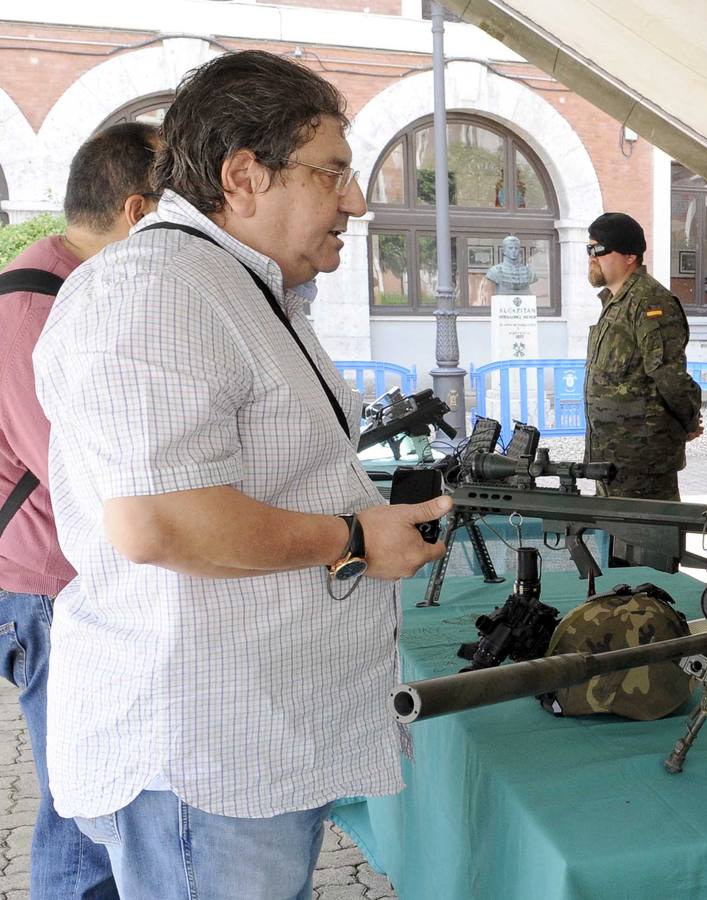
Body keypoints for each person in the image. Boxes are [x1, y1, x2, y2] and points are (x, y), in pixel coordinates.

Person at [32, 50, 451, 898]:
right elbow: (160, 522)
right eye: (332, 171)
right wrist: (353, 540)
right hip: (202, 758)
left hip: (246, 746)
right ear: (244, 176)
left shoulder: (228, 288)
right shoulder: (157, 290)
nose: (356, 200)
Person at [0, 120, 160, 900]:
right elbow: (78, 467)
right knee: (81, 806)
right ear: (138, 211)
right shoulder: (37, 300)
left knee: (94, 798)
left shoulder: (69, 287)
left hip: (61, 583)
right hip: (46, 591)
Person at [584, 212, 702, 505]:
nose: (591, 257)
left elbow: (669, 376)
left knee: (649, 549)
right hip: (610, 462)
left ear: (629, 256)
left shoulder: (650, 302)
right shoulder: (615, 302)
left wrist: (687, 421)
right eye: (588, 249)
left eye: (599, 249)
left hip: (642, 464)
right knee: (616, 548)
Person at [479, 234, 537, 303]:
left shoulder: (529, 272)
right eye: (510, 248)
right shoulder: (494, 271)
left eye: (516, 248)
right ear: (504, 251)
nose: (513, 251)